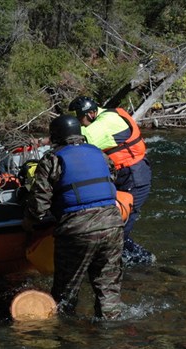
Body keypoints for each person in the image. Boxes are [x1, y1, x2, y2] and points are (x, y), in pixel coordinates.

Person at [22, 115, 124, 320]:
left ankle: (66, 336)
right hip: (113, 225)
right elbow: (112, 179)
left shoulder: (52, 159)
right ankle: (110, 333)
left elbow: (39, 204)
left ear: (56, 136)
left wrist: (30, 224)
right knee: (108, 287)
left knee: (66, 290)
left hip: (77, 230)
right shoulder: (100, 154)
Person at [68, 96, 154, 266]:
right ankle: (131, 261)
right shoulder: (104, 117)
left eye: (80, 119)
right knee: (112, 225)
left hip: (134, 176)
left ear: (91, 114)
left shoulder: (106, 122)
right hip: (124, 175)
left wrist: (44, 141)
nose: (80, 123)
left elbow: (77, 138)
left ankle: (142, 264)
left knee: (119, 229)